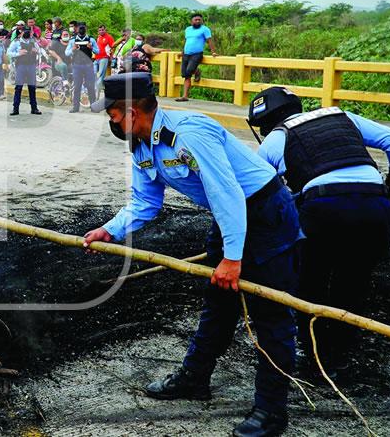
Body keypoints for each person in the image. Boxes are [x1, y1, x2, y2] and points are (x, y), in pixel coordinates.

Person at [86, 72, 300, 437]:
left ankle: (271, 411)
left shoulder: (189, 134)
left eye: (113, 114)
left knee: (271, 313)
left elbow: (226, 192)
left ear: (131, 112)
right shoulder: (141, 145)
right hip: (229, 214)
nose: (111, 121)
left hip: (266, 213)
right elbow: (145, 200)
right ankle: (195, 377)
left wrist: (232, 258)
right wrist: (111, 229)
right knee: (219, 301)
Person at [247, 87, 390, 375]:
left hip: (324, 208)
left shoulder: (274, 139)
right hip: (375, 205)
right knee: (354, 280)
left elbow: (261, 191)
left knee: (311, 281)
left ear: (266, 122)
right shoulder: (341, 116)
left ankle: (317, 357)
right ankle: (342, 353)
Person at [177, 13, 216, 102]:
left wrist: (213, 52)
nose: (198, 21)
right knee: (186, 75)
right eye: (196, 20)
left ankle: (196, 70)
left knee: (189, 70)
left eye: (199, 20)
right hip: (186, 54)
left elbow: (209, 41)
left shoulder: (205, 29)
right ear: (192, 21)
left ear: (202, 21)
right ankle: (185, 96)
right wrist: (182, 52)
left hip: (197, 54)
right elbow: (186, 41)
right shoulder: (188, 29)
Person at [7, 27, 43, 116]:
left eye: (28, 32)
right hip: (21, 66)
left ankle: (34, 108)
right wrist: (18, 53)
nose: (26, 33)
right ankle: (15, 109)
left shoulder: (33, 42)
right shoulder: (16, 42)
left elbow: (40, 51)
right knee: (18, 88)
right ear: (21, 33)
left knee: (32, 88)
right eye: (25, 32)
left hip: (31, 66)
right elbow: (8, 52)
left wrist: (36, 51)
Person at [64, 23, 97, 113]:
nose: (81, 29)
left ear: (86, 28)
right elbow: (66, 53)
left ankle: (93, 106)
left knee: (90, 86)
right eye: (79, 27)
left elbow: (98, 51)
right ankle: (75, 107)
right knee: (77, 86)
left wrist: (91, 48)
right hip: (77, 65)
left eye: (83, 27)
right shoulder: (72, 40)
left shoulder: (91, 39)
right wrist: (73, 49)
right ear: (77, 28)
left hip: (88, 65)